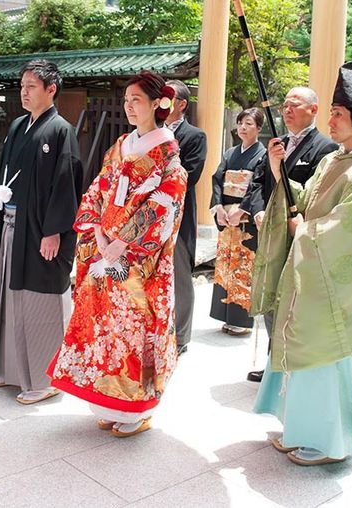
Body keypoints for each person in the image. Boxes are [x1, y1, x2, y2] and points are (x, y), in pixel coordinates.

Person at [252, 61, 352, 466]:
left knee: (324, 351)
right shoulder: (334, 160)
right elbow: (303, 201)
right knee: (301, 346)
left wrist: (306, 231)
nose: (330, 120)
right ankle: (297, 426)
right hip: (310, 275)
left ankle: (328, 441)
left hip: (332, 279)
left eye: (337, 113)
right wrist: (280, 172)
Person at [48, 71, 187, 438]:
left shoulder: (167, 152)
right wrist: (97, 231)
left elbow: (164, 202)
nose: (128, 106)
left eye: (136, 100)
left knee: (133, 330)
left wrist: (123, 243)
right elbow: (98, 188)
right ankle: (108, 401)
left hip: (139, 261)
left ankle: (135, 408)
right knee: (104, 329)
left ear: (159, 104)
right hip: (105, 249)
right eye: (126, 100)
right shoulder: (122, 145)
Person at [0, 60, 83, 404]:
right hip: (13, 223)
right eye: (22, 86)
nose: (24, 92)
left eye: (31, 86)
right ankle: (10, 370)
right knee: (10, 299)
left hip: (41, 230)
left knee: (40, 304)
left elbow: (65, 185)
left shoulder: (60, 130)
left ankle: (45, 378)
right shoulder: (17, 126)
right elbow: (4, 172)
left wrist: (54, 231)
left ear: (51, 89)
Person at [239, 87, 337, 382]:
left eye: (295, 105)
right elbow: (258, 182)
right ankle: (273, 363)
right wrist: (257, 210)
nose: (288, 110)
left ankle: (289, 363)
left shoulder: (325, 149)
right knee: (270, 295)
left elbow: (313, 195)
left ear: (313, 110)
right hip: (268, 233)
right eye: (285, 106)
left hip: (297, 235)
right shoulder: (277, 143)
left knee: (291, 299)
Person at [209, 108, 267, 335]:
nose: (243, 127)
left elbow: (258, 185)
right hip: (226, 214)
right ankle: (225, 315)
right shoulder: (229, 153)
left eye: (249, 123)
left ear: (259, 128)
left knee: (243, 266)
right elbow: (217, 179)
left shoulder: (261, 155)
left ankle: (241, 320)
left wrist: (243, 209)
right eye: (241, 123)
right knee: (224, 263)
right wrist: (219, 207)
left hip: (244, 218)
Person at [165, 79, 207, 354]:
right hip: (148, 216)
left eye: (168, 97)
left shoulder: (194, 136)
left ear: (181, 104)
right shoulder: (150, 131)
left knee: (179, 273)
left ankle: (180, 336)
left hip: (178, 212)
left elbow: (189, 175)